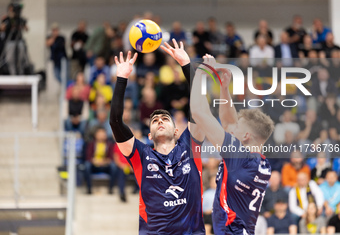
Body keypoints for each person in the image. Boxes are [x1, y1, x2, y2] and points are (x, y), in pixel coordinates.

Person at [110, 41, 205, 234]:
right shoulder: (141, 155)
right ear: (149, 134)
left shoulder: (190, 146)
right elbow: (116, 123)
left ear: (177, 130)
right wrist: (122, 78)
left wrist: (186, 64)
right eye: (155, 120)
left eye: (165, 118)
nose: (160, 120)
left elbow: (201, 109)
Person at [190, 54, 275, 235]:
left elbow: (197, 112)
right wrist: (224, 89)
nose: (230, 128)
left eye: (238, 126)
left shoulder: (239, 156)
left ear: (245, 136)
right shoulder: (262, 163)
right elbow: (229, 123)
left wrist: (201, 72)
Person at [84, 127, 117, 194]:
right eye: (100, 134)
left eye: (103, 133)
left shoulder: (109, 144)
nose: (102, 135)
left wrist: (104, 162)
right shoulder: (91, 144)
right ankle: (89, 188)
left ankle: (111, 189)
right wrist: (94, 161)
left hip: (105, 166)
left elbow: (111, 158)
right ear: (96, 135)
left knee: (113, 166)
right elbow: (88, 157)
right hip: (94, 166)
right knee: (87, 165)